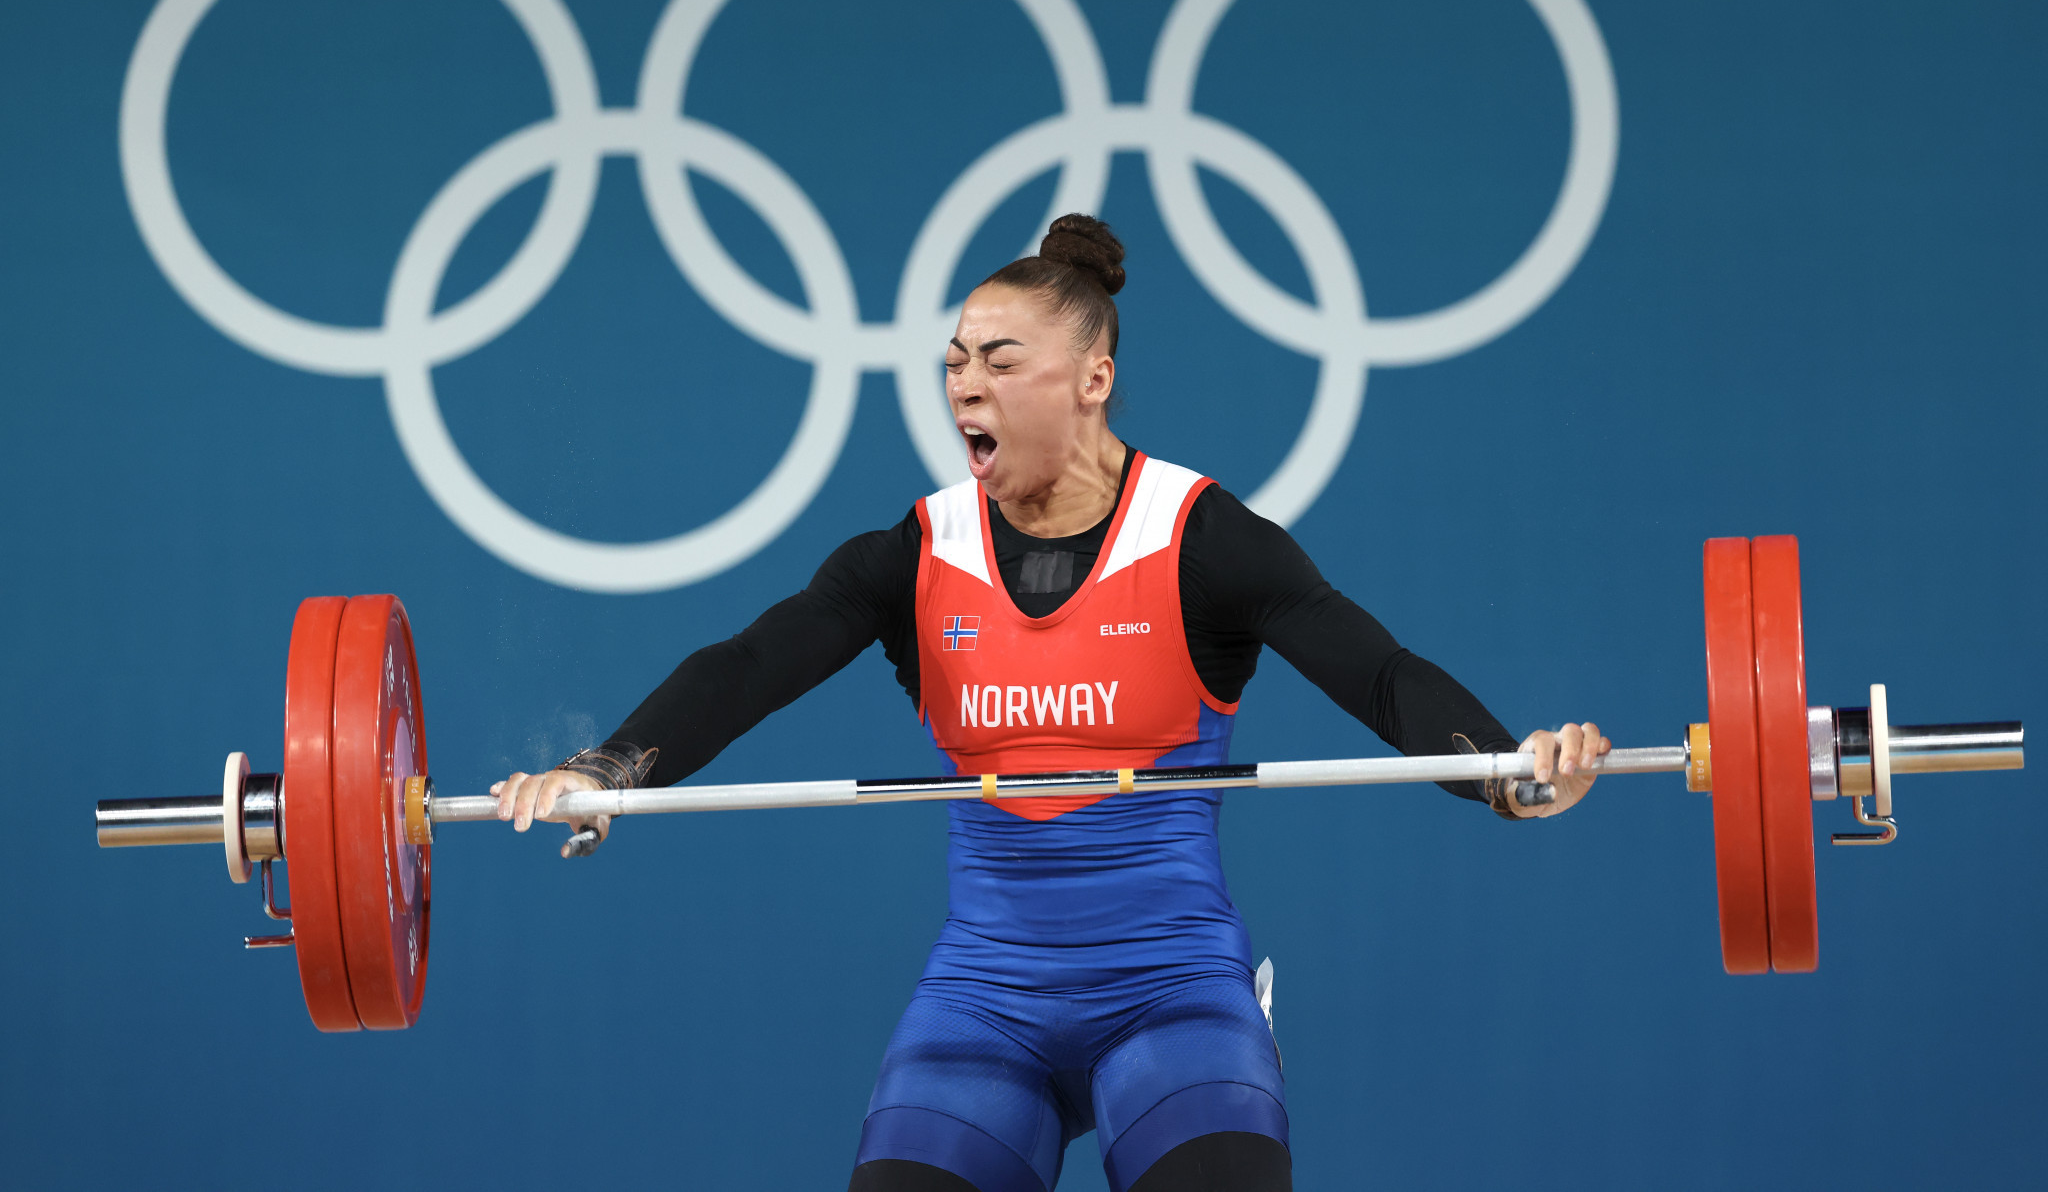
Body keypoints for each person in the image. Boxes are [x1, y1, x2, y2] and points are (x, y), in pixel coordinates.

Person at [492, 215, 1609, 1192]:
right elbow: (745, 666)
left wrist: (1507, 773)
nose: (962, 384)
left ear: (1092, 378)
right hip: (982, 1002)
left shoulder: (1200, 540)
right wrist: (611, 768)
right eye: (953, 361)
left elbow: (1381, 676)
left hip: (1172, 994)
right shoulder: (913, 556)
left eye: (997, 359)